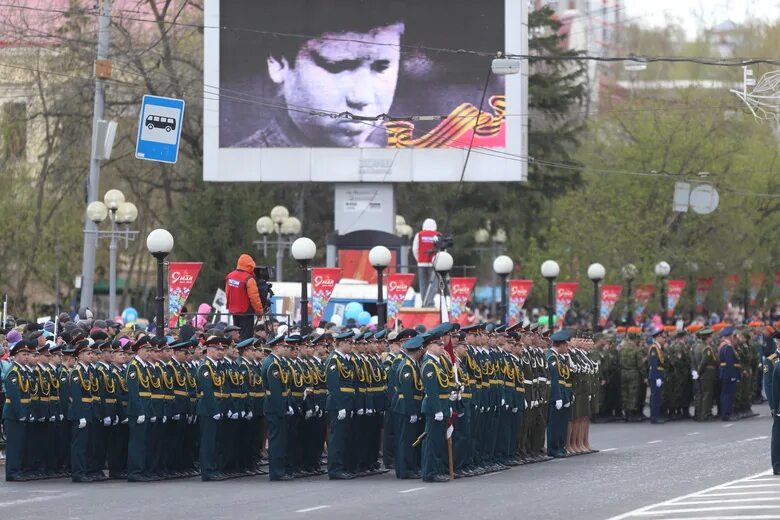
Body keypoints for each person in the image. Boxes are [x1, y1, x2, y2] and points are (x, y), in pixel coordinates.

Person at [233, 2, 406, 148]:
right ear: (278, 64)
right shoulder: (238, 174)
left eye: (381, 67)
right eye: (337, 67)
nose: (362, 97)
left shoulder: (396, 164)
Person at [225, 254, 265, 341]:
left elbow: (227, 293)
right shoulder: (249, 279)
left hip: (234, 311)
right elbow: (254, 298)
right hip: (246, 313)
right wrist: (259, 312)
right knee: (246, 339)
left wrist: (229, 306)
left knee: (237, 336)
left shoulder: (230, 276)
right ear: (250, 265)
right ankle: (245, 353)